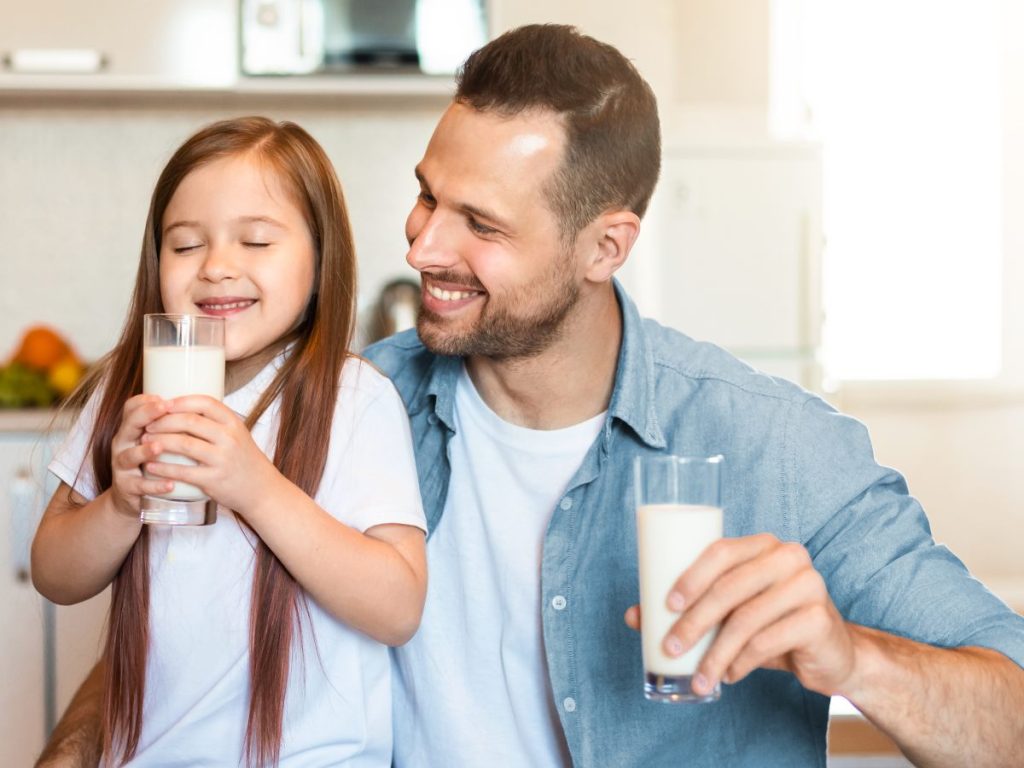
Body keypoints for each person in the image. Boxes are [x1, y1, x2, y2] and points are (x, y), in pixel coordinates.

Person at [40, 25, 1024, 768]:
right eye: (428, 196)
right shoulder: (351, 404)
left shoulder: (775, 447)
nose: (422, 246)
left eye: (479, 223)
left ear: (606, 246)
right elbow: (183, 630)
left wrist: (850, 658)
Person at [30, 117, 427, 766]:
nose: (217, 267)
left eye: (256, 240)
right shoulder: (128, 392)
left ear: (321, 258)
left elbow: (397, 606)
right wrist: (120, 505)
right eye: (185, 246)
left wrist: (255, 485)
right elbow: (54, 573)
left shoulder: (353, 398)